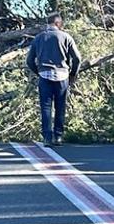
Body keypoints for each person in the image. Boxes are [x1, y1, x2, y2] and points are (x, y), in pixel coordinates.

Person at [26, 14, 82, 146]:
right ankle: (58, 136)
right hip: (62, 75)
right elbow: (77, 58)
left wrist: (38, 72)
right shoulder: (66, 37)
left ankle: (47, 137)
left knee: (45, 107)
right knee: (60, 107)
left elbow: (29, 61)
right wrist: (73, 74)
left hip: (44, 75)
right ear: (58, 23)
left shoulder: (39, 38)